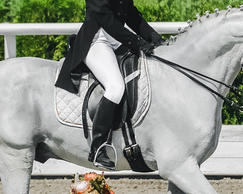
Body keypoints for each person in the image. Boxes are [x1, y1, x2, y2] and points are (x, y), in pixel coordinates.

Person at [55, 0, 165, 170]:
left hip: (117, 38)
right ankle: (97, 148)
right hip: (96, 39)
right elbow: (103, 17)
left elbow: (131, 14)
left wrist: (154, 37)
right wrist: (138, 43)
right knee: (115, 87)